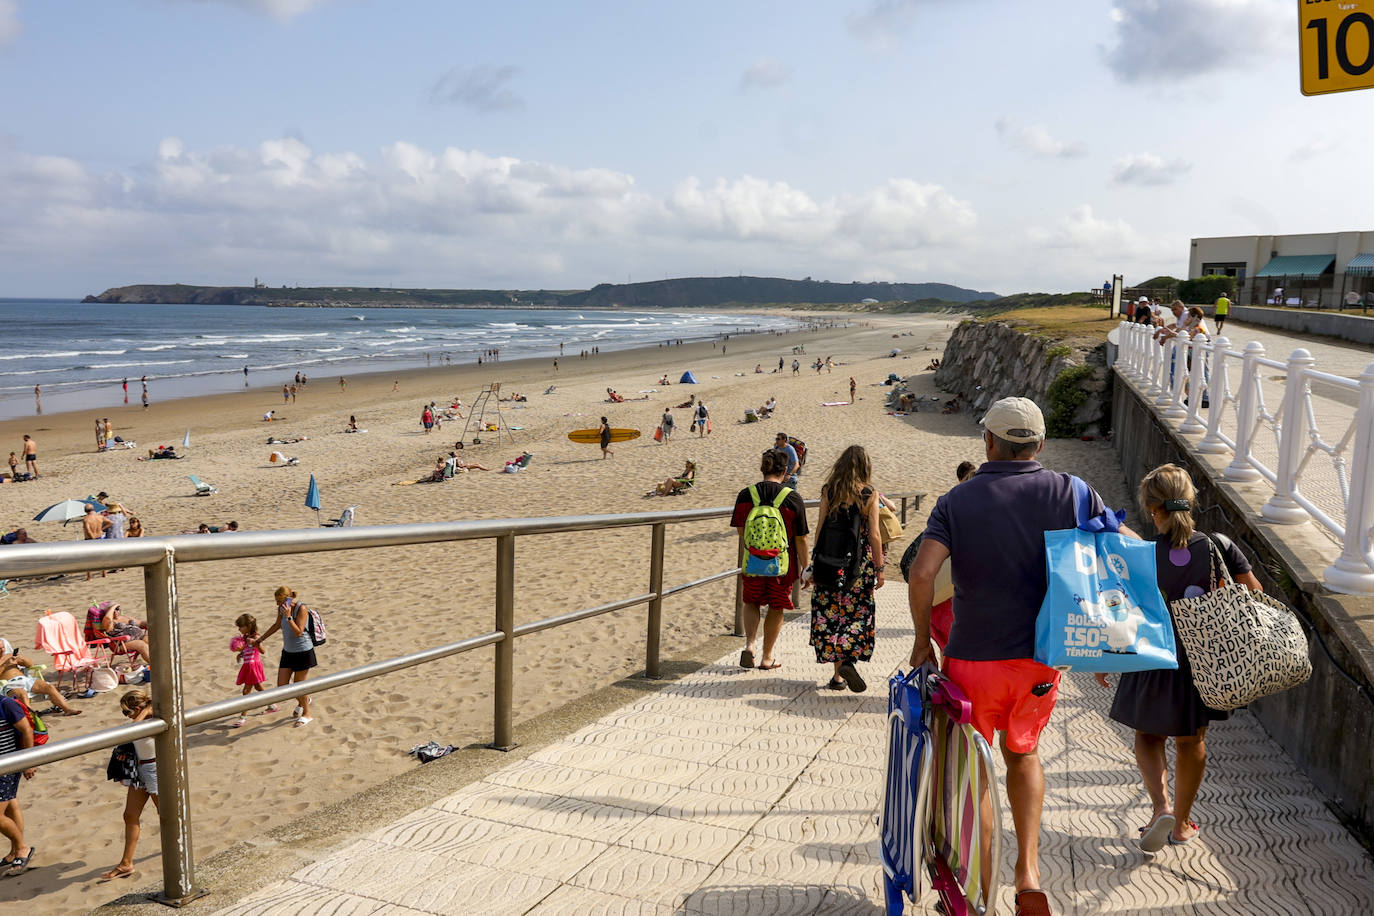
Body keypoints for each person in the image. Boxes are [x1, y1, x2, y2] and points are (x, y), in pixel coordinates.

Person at [905, 396, 1136, 916]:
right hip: (1041, 660)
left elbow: (921, 575)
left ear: (989, 441)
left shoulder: (956, 501)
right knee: (1023, 754)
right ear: (1039, 443)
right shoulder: (1072, 491)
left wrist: (923, 642)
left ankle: (978, 889)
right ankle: (1027, 870)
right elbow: (1128, 548)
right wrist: (1107, 637)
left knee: (974, 768)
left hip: (973, 661)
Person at [1098, 464, 1263, 851]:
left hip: (1153, 655)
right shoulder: (1220, 546)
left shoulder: (1141, 555)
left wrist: (1109, 658)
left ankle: (1161, 808)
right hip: (1202, 664)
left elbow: (1124, 610)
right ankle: (1182, 823)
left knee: (1147, 734)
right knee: (1192, 741)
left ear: (1153, 510)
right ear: (1190, 502)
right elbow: (1253, 597)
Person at [808, 445, 884, 692]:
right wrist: (880, 567)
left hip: (829, 562)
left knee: (832, 614)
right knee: (855, 615)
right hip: (858, 568)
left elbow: (819, 528)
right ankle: (847, 662)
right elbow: (874, 534)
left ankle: (838, 677)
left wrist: (813, 562)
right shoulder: (869, 494)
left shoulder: (829, 491)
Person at [730, 449, 809, 671]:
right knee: (776, 606)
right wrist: (806, 567)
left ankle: (749, 645)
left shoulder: (746, 495)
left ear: (762, 468)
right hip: (782, 565)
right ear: (785, 471)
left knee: (751, 601)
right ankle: (767, 657)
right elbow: (801, 538)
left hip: (753, 560)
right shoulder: (792, 498)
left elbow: (741, 531)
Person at [100, 690, 157, 880]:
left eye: (127, 712)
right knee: (130, 815)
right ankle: (126, 863)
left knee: (166, 815)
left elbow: (134, 729)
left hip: (155, 770)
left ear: (138, 708)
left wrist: (145, 711)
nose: (126, 716)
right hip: (139, 769)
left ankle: (180, 852)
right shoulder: (142, 718)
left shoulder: (154, 717)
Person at [256, 587, 317, 728]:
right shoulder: (281, 609)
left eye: (279, 601)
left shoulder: (301, 609)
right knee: (282, 687)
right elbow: (277, 625)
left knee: (298, 686)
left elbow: (298, 632)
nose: (277, 605)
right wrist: (261, 639)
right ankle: (305, 700)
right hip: (288, 652)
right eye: (276, 602)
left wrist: (289, 616)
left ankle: (307, 714)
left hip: (303, 651)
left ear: (288, 599)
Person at [0, 687, 36, 877]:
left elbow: (27, 731)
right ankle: (15, 851)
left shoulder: (6, 704)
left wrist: (28, 763)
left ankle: (22, 848)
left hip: (8, 766)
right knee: (11, 805)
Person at [1, 640, 82, 716]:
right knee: (22, 695)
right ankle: (32, 716)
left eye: (3, 647)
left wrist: (21, 659)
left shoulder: (9, 655)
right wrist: (5, 665)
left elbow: (30, 665)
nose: (2, 650)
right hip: (9, 684)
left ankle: (67, 709)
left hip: (25, 680)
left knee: (49, 687)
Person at [228, 614, 273, 728]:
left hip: (253, 666)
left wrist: (255, 642)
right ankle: (272, 705)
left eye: (241, 627)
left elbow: (262, 651)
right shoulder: (245, 637)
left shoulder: (256, 636)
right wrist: (241, 654)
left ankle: (243, 717)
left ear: (248, 626)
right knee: (258, 687)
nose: (239, 629)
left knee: (246, 691)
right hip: (247, 665)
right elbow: (247, 649)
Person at [83, 504, 111, 580]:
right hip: (99, 537)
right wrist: (102, 529)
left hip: (90, 539)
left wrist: (93, 540)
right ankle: (104, 573)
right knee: (101, 556)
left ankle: (89, 577)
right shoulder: (100, 516)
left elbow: (88, 531)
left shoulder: (86, 519)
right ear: (93, 509)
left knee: (88, 559)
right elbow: (110, 522)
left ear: (85, 511)